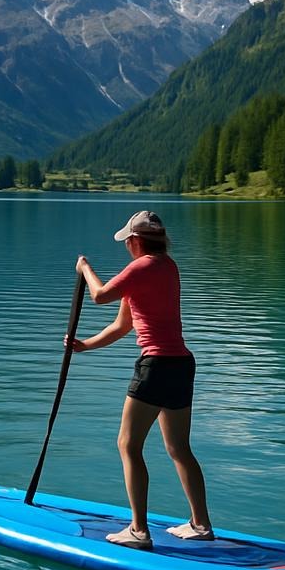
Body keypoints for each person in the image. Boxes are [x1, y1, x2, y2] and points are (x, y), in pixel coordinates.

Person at [68, 210, 214, 550]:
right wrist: (84, 346)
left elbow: (100, 296)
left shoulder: (142, 266)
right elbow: (123, 325)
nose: (126, 247)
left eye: (127, 242)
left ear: (136, 241)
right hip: (180, 364)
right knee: (179, 448)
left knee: (128, 445)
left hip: (156, 366)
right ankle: (201, 524)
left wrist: (84, 269)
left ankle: (138, 531)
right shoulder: (167, 267)